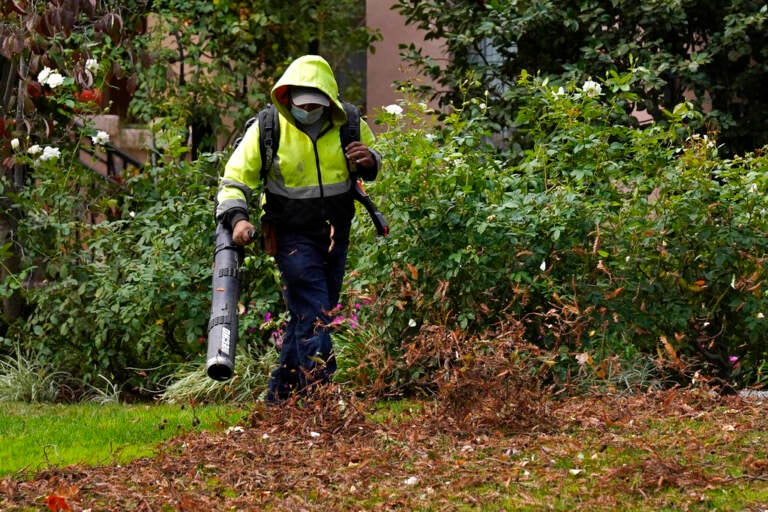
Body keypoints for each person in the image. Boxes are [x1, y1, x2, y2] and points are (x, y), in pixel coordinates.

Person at [215, 55, 382, 404]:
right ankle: (320, 395)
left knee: (311, 314)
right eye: (302, 103)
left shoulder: (349, 123)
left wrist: (370, 161)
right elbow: (234, 180)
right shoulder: (268, 127)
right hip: (290, 236)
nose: (308, 109)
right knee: (317, 313)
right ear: (287, 96)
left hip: (337, 233)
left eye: (316, 105)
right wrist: (238, 218)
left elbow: (373, 161)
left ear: (328, 102)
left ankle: (280, 397)